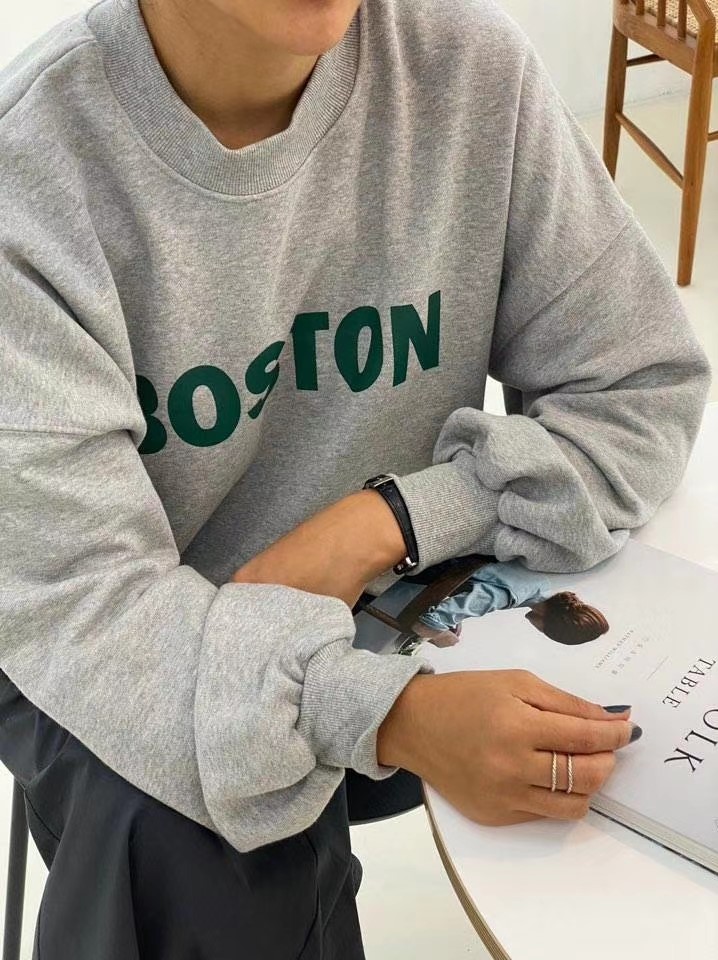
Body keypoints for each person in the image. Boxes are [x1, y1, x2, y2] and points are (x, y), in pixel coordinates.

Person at [0, 0, 711, 956]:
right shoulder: (29, 174)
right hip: (123, 640)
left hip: (403, 596)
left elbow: (638, 386)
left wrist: (388, 520)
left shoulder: (466, 72)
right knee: (181, 837)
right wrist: (390, 716)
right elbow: (89, 606)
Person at [413, 560, 610, 646]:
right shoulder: (510, 595)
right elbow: (426, 624)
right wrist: (444, 638)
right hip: (424, 566)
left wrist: (456, 616)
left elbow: (481, 577)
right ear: (552, 626)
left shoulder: (538, 582)